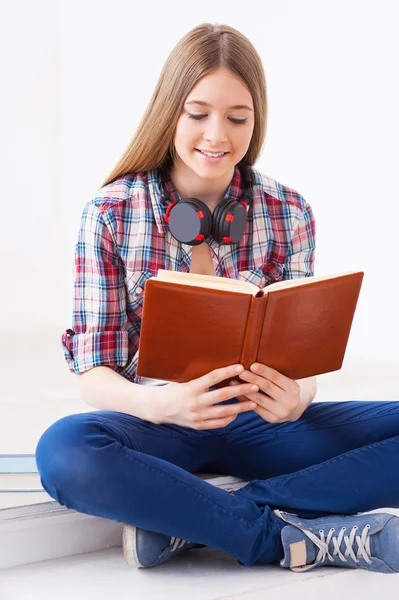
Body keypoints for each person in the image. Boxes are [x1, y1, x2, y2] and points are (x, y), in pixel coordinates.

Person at [35, 23, 399, 574]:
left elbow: (302, 357)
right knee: (65, 451)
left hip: (261, 421)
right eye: (198, 113)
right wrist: (164, 404)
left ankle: (205, 520)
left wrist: (297, 396)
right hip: (156, 422)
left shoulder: (288, 210)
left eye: (237, 118)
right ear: (170, 113)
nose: (216, 134)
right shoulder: (111, 214)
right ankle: (287, 536)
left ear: (257, 121)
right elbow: (93, 372)